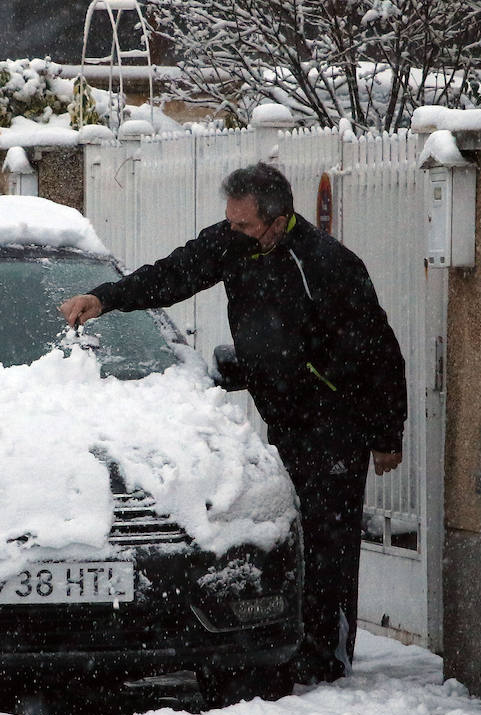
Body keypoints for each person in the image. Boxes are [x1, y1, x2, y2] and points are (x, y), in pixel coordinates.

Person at [59, 162, 406, 684]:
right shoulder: (234, 245)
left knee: (330, 543)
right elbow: (173, 273)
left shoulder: (328, 265)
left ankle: (327, 656)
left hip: (338, 420)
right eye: (231, 223)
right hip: (285, 421)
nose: (234, 233)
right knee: (294, 539)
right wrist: (106, 298)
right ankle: (292, 643)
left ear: (277, 220)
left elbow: (379, 350)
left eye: (244, 225)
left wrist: (385, 434)